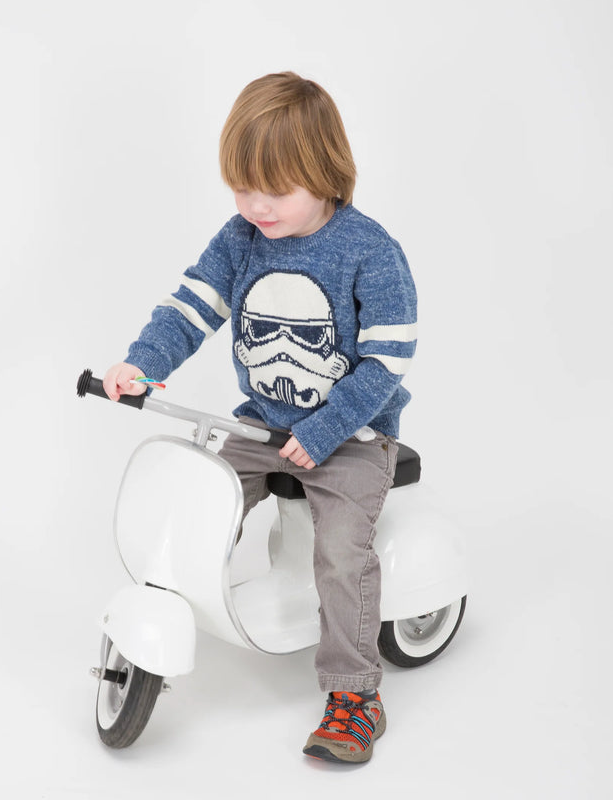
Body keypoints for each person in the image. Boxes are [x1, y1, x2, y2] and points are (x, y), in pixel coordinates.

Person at [103, 72, 417, 764]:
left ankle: (353, 693)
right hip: (261, 424)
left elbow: (387, 363)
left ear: (325, 174)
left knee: (338, 552)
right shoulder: (241, 237)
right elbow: (190, 308)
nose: (254, 206)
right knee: (193, 492)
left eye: (272, 191)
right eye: (241, 189)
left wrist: (326, 430)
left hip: (352, 435)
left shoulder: (370, 252)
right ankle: (168, 614)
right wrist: (142, 364)